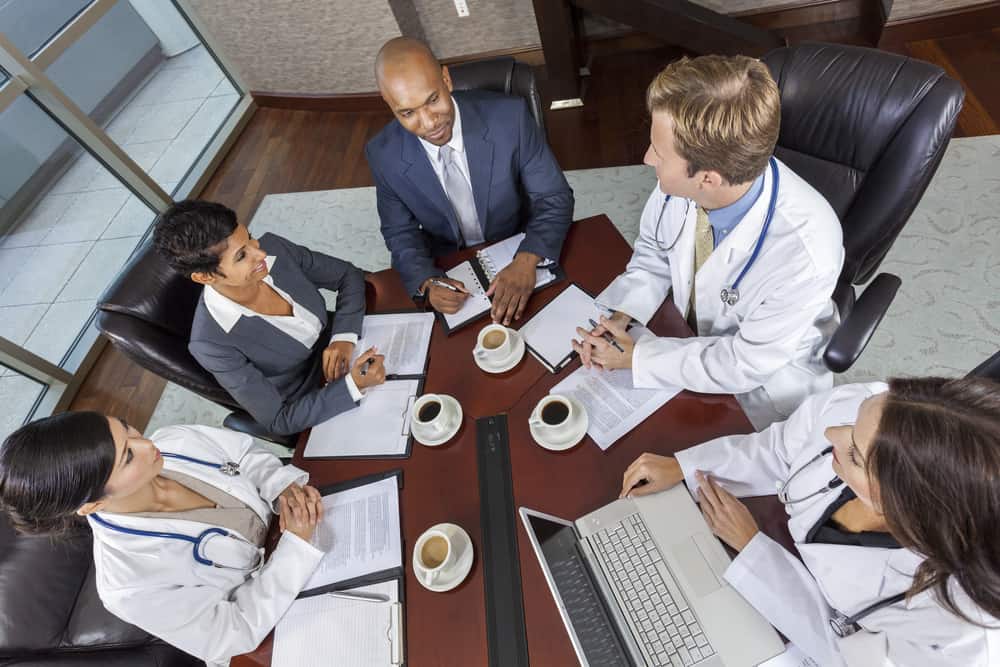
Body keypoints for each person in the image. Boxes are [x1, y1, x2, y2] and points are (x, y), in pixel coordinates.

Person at [619, 377, 1000, 665]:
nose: (832, 433)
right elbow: (780, 448)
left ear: (905, 505)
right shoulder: (870, 409)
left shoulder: (955, 633)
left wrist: (756, 552)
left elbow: (845, 654)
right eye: (853, 420)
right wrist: (685, 467)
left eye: (854, 454)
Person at [573, 55, 844, 429]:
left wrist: (638, 359)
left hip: (763, 386)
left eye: (659, 153)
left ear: (708, 179)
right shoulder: (686, 184)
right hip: (690, 338)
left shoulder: (806, 252)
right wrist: (623, 313)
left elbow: (742, 364)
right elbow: (654, 249)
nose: (647, 158)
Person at [0, 412, 327, 666]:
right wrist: (295, 549)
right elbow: (232, 632)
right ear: (92, 505)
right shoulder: (127, 586)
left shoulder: (175, 439)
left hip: (303, 533)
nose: (147, 444)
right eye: (128, 457)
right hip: (282, 620)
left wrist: (281, 487)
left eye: (127, 428)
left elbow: (245, 454)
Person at [366, 37, 574, 325]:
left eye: (432, 100)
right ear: (388, 103)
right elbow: (399, 232)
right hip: (448, 260)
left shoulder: (510, 117)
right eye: (408, 113)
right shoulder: (382, 154)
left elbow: (554, 197)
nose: (429, 123)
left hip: (516, 240)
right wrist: (426, 281)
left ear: (446, 79)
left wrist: (527, 259)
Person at [153, 200, 386, 436]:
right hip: (314, 395)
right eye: (241, 255)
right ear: (205, 277)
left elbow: (348, 275)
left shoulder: (275, 248)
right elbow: (278, 420)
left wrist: (343, 337)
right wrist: (353, 385)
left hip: (349, 337)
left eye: (250, 237)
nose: (260, 252)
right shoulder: (210, 344)